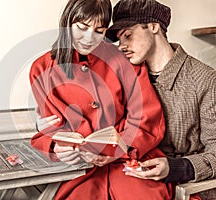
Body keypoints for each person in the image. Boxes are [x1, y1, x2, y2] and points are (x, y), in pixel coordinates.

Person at [37, 0, 216, 199]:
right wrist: (47, 132)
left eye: (128, 36)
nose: (122, 47)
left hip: (173, 178)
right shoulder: (124, 66)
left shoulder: (205, 80)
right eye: (118, 40)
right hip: (117, 169)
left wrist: (176, 168)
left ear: (154, 27)